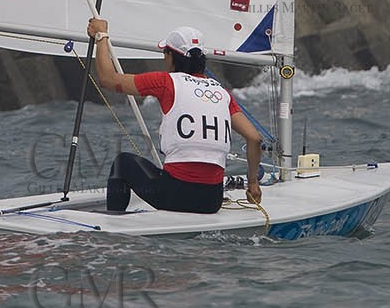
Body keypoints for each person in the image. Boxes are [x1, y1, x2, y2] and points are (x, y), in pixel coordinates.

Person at [86, 19, 263, 215]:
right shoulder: (221, 93)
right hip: (211, 201)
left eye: (165, 53)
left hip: (175, 195)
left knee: (123, 163)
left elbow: (108, 79)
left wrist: (101, 37)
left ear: (171, 56)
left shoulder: (165, 82)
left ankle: (114, 225)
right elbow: (254, 138)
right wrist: (253, 183)